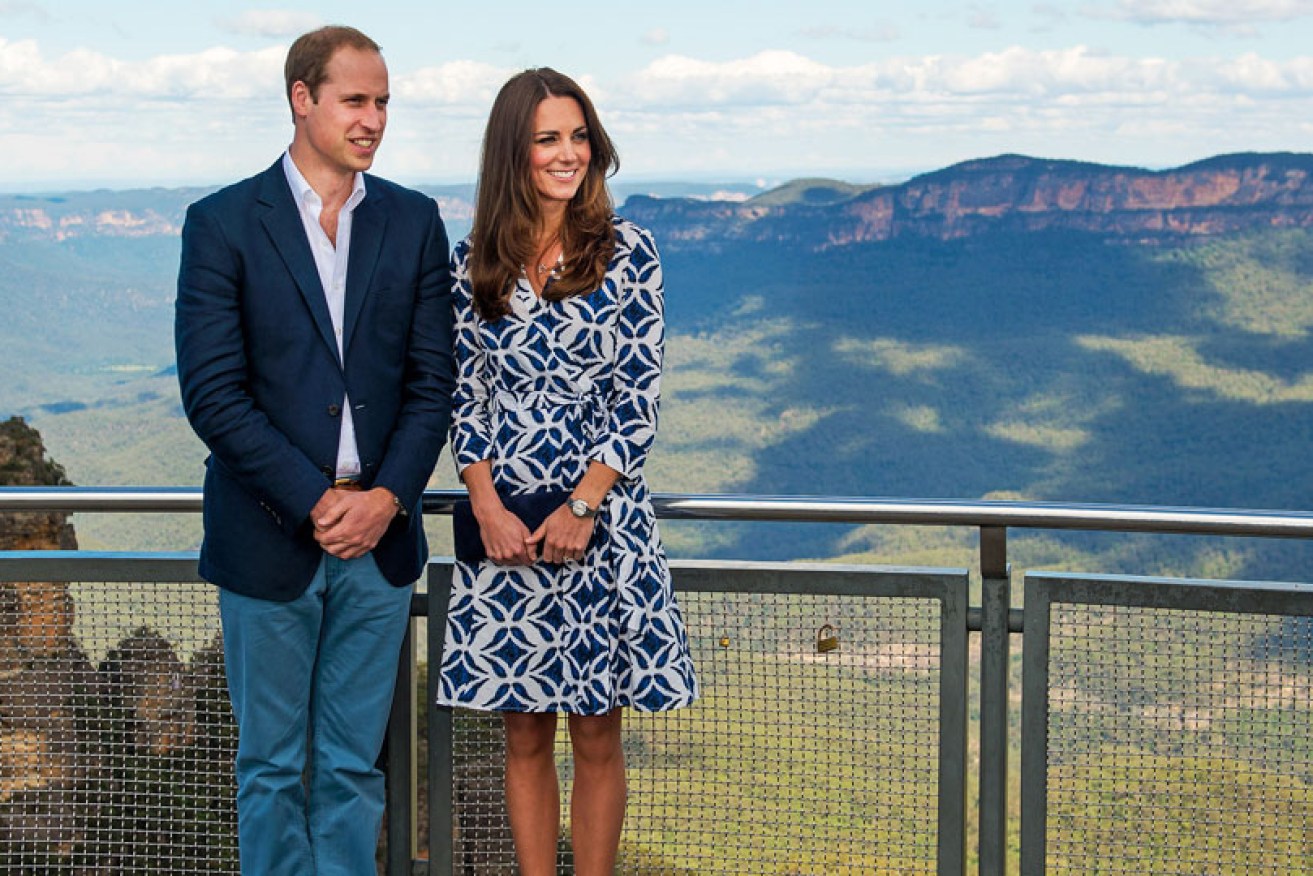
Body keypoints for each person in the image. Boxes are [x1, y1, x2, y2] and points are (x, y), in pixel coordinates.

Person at [174, 25, 454, 876]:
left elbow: (431, 384)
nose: (372, 120)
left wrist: (385, 500)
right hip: (268, 537)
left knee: (350, 767)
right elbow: (213, 396)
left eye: (382, 103)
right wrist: (316, 501)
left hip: (379, 542)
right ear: (302, 99)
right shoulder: (222, 223)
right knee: (267, 768)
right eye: (355, 100)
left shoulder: (412, 220)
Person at [435, 68, 699, 875]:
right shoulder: (472, 259)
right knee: (521, 730)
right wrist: (484, 505)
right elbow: (464, 395)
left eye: (579, 135)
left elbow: (637, 399)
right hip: (505, 521)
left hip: (601, 522)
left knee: (595, 727)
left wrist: (582, 507)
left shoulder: (630, 253)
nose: (568, 153)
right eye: (548, 138)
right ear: (512, 151)